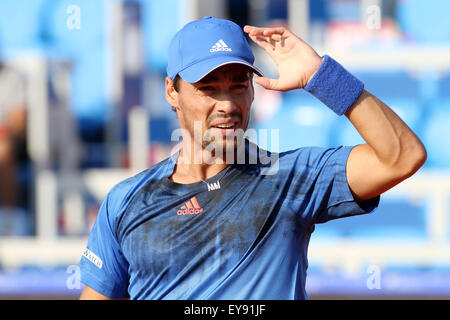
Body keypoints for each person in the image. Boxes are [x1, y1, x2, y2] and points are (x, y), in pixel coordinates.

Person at [79, 16, 426, 300]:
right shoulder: (126, 201)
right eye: (208, 88)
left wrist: (322, 76)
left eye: (239, 85)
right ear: (172, 91)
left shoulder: (293, 177)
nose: (227, 104)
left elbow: (402, 156)